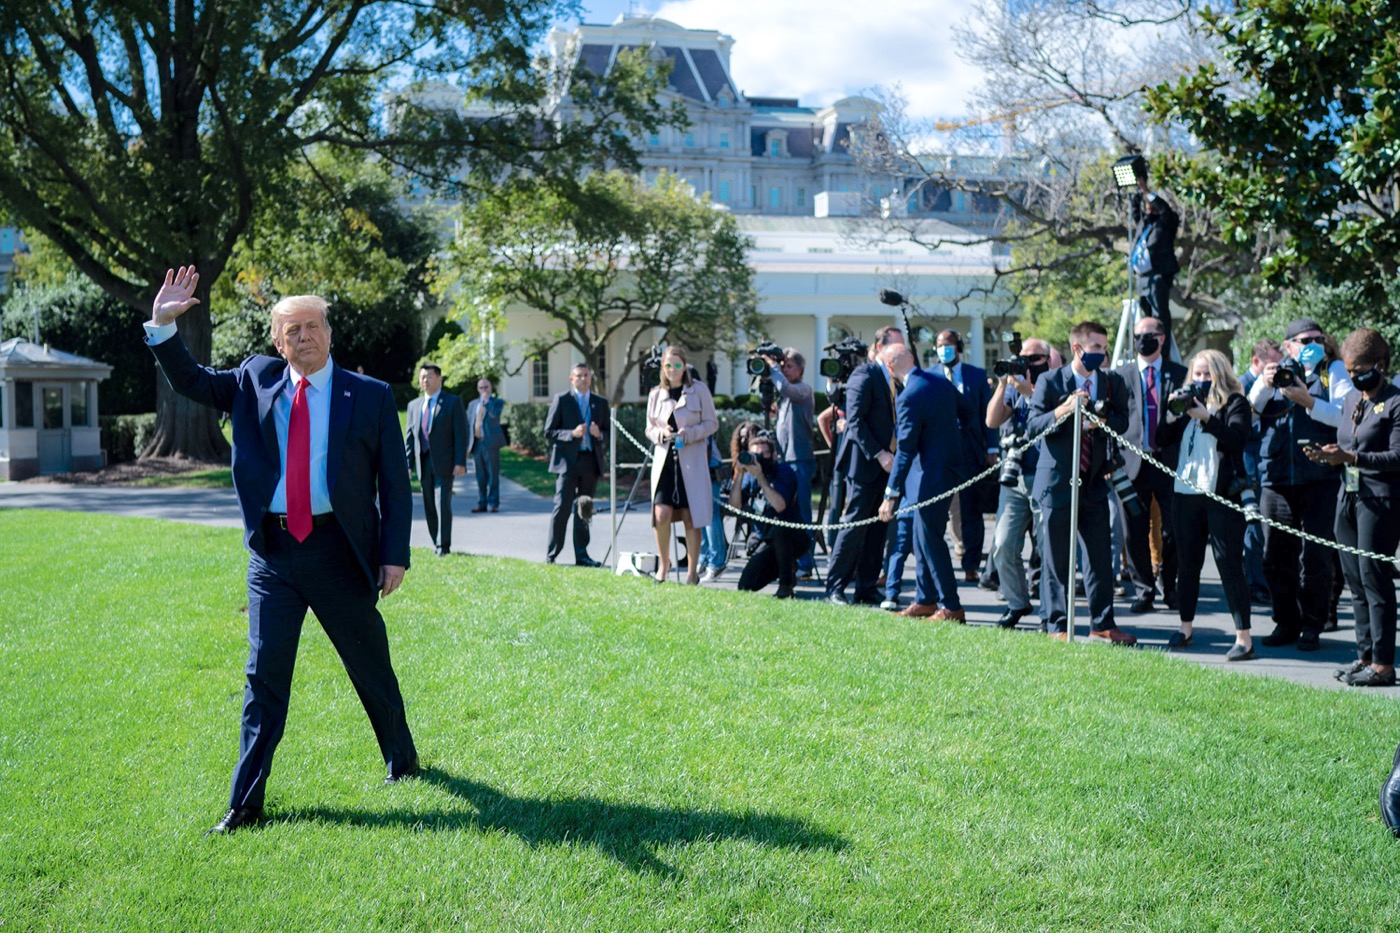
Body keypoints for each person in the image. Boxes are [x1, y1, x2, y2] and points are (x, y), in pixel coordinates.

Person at [145, 266, 418, 835]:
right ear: (276, 340)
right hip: (273, 553)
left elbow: (394, 483)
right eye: (290, 330)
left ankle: (402, 761)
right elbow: (193, 382)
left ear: (328, 333)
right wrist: (164, 327)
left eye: (311, 327)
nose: (302, 338)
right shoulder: (253, 380)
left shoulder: (368, 397)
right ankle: (245, 804)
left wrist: (395, 555)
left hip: (339, 551)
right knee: (263, 676)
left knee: (370, 662)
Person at [1026, 320, 1136, 644]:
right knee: (1057, 558)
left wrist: (1099, 420)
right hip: (1057, 481)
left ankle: (1103, 623)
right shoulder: (1050, 380)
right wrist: (1064, 410)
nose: (1102, 353)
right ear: (1078, 348)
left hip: (1094, 481)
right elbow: (1033, 426)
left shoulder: (1111, 381)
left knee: (1100, 558)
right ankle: (1057, 625)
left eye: (1104, 347)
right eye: (1097, 347)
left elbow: (1122, 420)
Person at [1249, 318, 1352, 651]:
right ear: (1288, 345)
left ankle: (1312, 625)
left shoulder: (1332, 370)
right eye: (1304, 340)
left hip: (1319, 478)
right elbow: (1249, 414)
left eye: (1317, 338)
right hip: (1277, 479)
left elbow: (1345, 416)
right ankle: (1286, 622)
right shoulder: (1277, 371)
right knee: (1275, 556)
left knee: (1317, 557)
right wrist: (1265, 385)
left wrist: (1309, 401)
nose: (1312, 344)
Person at [1306, 328, 1400, 686]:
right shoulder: (1352, 402)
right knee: (1354, 579)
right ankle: (1364, 656)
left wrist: (1352, 456)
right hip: (1348, 495)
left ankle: (1384, 664)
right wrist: (1329, 456)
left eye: (1359, 368)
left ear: (1378, 364)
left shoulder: (1395, 402)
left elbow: (1397, 455)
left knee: (1374, 579)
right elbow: (1345, 443)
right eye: (1348, 369)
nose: (1354, 375)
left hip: (1380, 500)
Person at [1157, 350, 1253, 659]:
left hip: (1221, 494)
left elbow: (1238, 439)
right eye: (1197, 374)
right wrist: (1173, 413)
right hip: (1185, 493)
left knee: (1229, 564)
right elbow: (1161, 438)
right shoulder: (1186, 402)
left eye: (1207, 374)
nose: (1201, 380)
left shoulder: (1235, 402)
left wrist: (1208, 418)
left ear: (1220, 374)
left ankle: (1244, 638)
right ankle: (1185, 628)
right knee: (1188, 564)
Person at [878, 344, 964, 620]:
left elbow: (905, 450)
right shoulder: (940, 382)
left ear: (890, 368)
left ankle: (950, 605)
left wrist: (891, 493)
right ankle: (924, 600)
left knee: (929, 538)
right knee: (919, 534)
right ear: (912, 359)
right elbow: (967, 413)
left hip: (930, 475)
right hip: (943, 470)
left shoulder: (908, 396)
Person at [825, 327, 905, 605]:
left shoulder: (899, 379)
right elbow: (855, 422)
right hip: (866, 463)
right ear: (881, 347)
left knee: (878, 528)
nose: (902, 353)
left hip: (890, 465)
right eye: (896, 347)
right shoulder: (865, 375)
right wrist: (880, 454)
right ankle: (834, 587)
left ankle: (866, 587)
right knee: (855, 525)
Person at [1115, 315, 1189, 613]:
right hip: (1132, 464)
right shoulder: (1121, 375)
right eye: (1137, 335)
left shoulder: (1179, 373)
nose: (1143, 340)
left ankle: (1168, 586)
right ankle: (1143, 590)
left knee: (1173, 530)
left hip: (1168, 462)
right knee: (1134, 530)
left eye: (1149, 334)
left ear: (1161, 338)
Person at [985, 337, 1053, 628]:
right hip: (1014, 477)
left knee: (1047, 547)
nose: (1027, 363)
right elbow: (992, 420)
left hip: (1044, 474)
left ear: (1047, 360)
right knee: (1002, 544)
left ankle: (1052, 611)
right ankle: (1017, 602)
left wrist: (1030, 392)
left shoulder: (1054, 383)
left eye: (1034, 357)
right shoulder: (1014, 386)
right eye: (1023, 357)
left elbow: (1055, 415)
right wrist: (1003, 384)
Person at [929, 329, 998, 584]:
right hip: (939, 452)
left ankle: (971, 564)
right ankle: (938, 567)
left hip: (970, 450)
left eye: (948, 345)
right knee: (940, 508)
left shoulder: (976, 375)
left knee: (971, 510)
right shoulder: (929, 376)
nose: (943, 349)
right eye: (939, 344)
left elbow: (986, 414)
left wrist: (991, 448)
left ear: (958, 347)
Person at [646, 346, 719, 584]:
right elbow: (649, 428)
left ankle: (691, 573)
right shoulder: (656, 394)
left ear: (684, 366)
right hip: (665, 461)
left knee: (691, 517)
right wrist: (661, 433)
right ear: (663, 368)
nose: (673, 370)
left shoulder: (699, 391)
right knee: (661, 513)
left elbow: (712, 424)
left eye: (678, 365)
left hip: (692, 463)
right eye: (668, 365)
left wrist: (691, 434)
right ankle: (664, 565)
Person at [544, 362, 610, 567]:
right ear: (571, 379)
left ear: (591, 378)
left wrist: (599, 434)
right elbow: (549, 432)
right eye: (579, 375)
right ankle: (552, 554)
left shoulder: (600, 402)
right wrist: (571, 434)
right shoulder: (562, 400)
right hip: (567, 463)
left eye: (586, 375)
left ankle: (582, 555)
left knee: (584, 509)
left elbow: (608, 433)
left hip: (590, 461)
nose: (583, 379)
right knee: (562, 507)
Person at [731, 432, 805, 598]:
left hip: (794, 538)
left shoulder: (785, 472)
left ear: (773, 455)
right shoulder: (749, 477)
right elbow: (734, 506)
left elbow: (779, 506)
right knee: (746, 586)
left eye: (762, 454)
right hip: (765, 540)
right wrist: (740, 473)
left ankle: (785, 586)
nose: (758, 459)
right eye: (754, 454)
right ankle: (786, 566)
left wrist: (760, 477)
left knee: (780, 529)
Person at [405, 364, 467, 555]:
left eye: (429, 377)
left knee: (442, 503)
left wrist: (460, 462)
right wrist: (408, 465)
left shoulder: (453, 402)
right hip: (423, 463)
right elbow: (409, 437)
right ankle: (435, 542)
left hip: (445, 463)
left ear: (439, 379)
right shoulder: (414, 406)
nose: (425, 380)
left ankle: (443, 545)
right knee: (429, 504)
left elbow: (461, 434)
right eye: (422, 377)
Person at [1239, 338, 1283, 604]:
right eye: (1271, 363)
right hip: (1248, 463)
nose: (1276, 369)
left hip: (1267, 464)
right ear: (1257, 361)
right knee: (1253, 526)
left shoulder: (1278, 385)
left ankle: (1264, 579)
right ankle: (1255, 581)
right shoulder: (1241, 385)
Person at [766, 347, 817, 578]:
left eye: (789, 366)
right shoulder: (786, 396)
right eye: (783, 366)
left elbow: (786, 389)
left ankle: (806, 564)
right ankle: (790, 562)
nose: (785, 370)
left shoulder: (803, 389)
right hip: (787, 460)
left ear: (800, 369)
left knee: (802, 514)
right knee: (787, 514)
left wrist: (772, 366)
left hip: (801, 461)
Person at [1130, 173, 1180, 354]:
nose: (1148, 205)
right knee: (1147, 314)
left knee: (1159, 316)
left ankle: (1163, 352)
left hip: (1158, 276)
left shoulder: (1166, 222)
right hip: (1142, 278)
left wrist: (1147, 191)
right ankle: (1148, 348)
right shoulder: (1145, 223)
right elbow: (1135, 212)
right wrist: (1136, 195)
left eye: (1150, 202)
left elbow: (1166, 210)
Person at [466, 377, 506, 514]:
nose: (484, 390)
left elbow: (495, 416)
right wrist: (467, 444)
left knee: (492, 475)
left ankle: (493, 503)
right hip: (477, 443)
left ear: (491, 388)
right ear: (478, 389)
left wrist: (486, 403)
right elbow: (468, 423)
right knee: (480, 476)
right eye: (481, 388)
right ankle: (481, 503)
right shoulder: (472, 404)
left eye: (486, 387)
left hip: (491, 443)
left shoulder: (497, 402)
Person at [697, 432, 729, 583]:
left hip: (709, 467)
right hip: (699, 466)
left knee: (710, 515)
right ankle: (704, 557)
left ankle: (716, 562)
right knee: (700, 515)